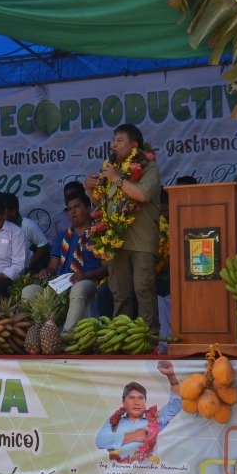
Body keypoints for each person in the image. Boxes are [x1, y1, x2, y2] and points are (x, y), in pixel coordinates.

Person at [85, 124, 161, 330]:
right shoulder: (112, 170)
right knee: (120, 292)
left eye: (119, 141)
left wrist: (116, 178)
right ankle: (123, 336)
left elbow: (142, 195)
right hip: (116, 243)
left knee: (143, 289)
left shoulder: (148, 167)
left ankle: (149, 337)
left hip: (142, 241)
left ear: (134, 145)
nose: (114, 145)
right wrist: (89, 188)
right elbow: (101, 205)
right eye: (113, 141)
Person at [23, 192, 107, 333]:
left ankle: (67, 335)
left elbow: (107, 268)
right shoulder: (62, 237)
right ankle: (39, 333)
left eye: (77, 207)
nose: (72, 212)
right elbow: (52, 268)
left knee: (78, 288)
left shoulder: (99, 235)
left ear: (88, 209)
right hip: (62, 282)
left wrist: (86, 274)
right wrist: (46, 272)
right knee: (29, 291)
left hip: (90, 279)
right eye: (69, 209)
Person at [94, 360, 181, 464]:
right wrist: (135, 435)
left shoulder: (155, 419)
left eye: (140, 398)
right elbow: (100, 441)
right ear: (123, 402)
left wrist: (171, 376)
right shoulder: (114, 421)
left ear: (145, 402)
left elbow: (175, 406)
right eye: (131, 398)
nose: (136, 402)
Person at [1, 193, 50, 274]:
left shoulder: (27, 225)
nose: (0, 214)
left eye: (3, 211)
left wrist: (28, 265)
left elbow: (45, 246)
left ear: (13, 211)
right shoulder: (1, 226)